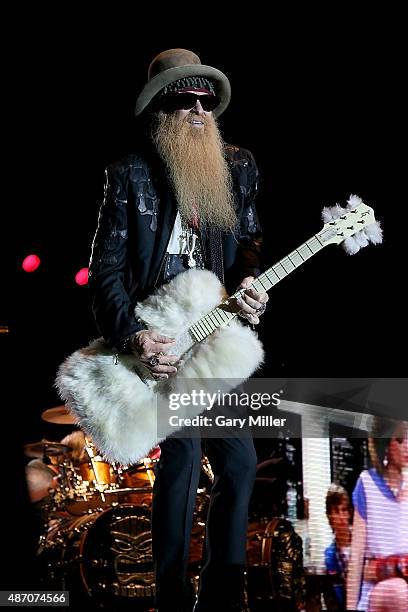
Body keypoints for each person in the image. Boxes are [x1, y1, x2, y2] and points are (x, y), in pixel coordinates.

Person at [87, 48, 269, 612]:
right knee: (184, 460)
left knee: (239, 462)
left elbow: (250, 248)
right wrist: (133, 336)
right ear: (161, 109)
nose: (197, 110)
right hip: (159, 341)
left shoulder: (238, 167)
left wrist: (253, 285)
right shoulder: (128, 174)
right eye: (183, 100)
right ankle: (170, 594)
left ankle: (222, 591)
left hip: (213, 332)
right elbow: (106, 273)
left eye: (205, 101)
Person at [346, 418, 408, 611]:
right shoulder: (367, 484)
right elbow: (356, 556)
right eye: (400, 439)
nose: (407, 445)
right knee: (398, 591)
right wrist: (350, 608)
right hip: (379, 589)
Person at [324, 484, 352, 609]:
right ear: (329, 516)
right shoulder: (328, 556)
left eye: (344, 510)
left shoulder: (363, 546)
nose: (341, 516)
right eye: (336, 511)